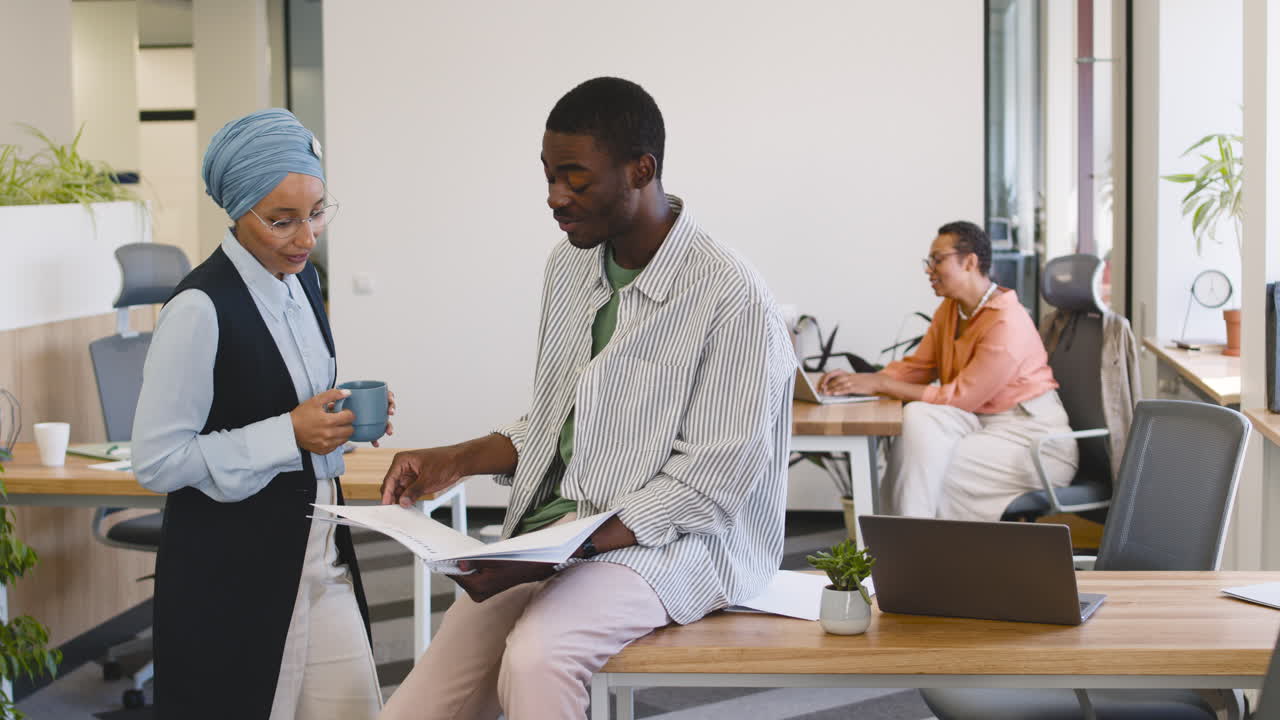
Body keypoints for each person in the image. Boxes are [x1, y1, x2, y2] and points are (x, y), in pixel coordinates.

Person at [377, 77, 795, 720]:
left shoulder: (729, 293)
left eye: (575, 177)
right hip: (556, 537)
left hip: (672, 544)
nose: (554, 197)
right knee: (415, 711)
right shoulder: (568, 265)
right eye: (547, 176)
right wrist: (455, 459)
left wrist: (558, 551)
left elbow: (709, 487)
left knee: (538, 656)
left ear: (641, 169)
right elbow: (555, 422)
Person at [133, 108, 390, 719]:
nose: (307, 237)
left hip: (317, 552)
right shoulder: (199, 308)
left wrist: (336, 422)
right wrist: (290, 434)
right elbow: (157, 460)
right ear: (237, 212)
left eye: (317, 212)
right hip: (233, 574)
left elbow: (287, 404)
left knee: (356, 708)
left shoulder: (300, 283)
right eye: (283, 221)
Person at [818, 220, 1078, 520]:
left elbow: (960, 398)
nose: (929, 269)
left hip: (1033, 441)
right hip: (983, 426)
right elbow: (919, 368)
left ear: (969, 262)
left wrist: (880, 385)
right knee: (918, 422)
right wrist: (860, 382)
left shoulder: (1007, 321)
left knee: (925, 473)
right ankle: (905, 547)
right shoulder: (952, 310)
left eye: (937, 260)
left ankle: (913, 551)